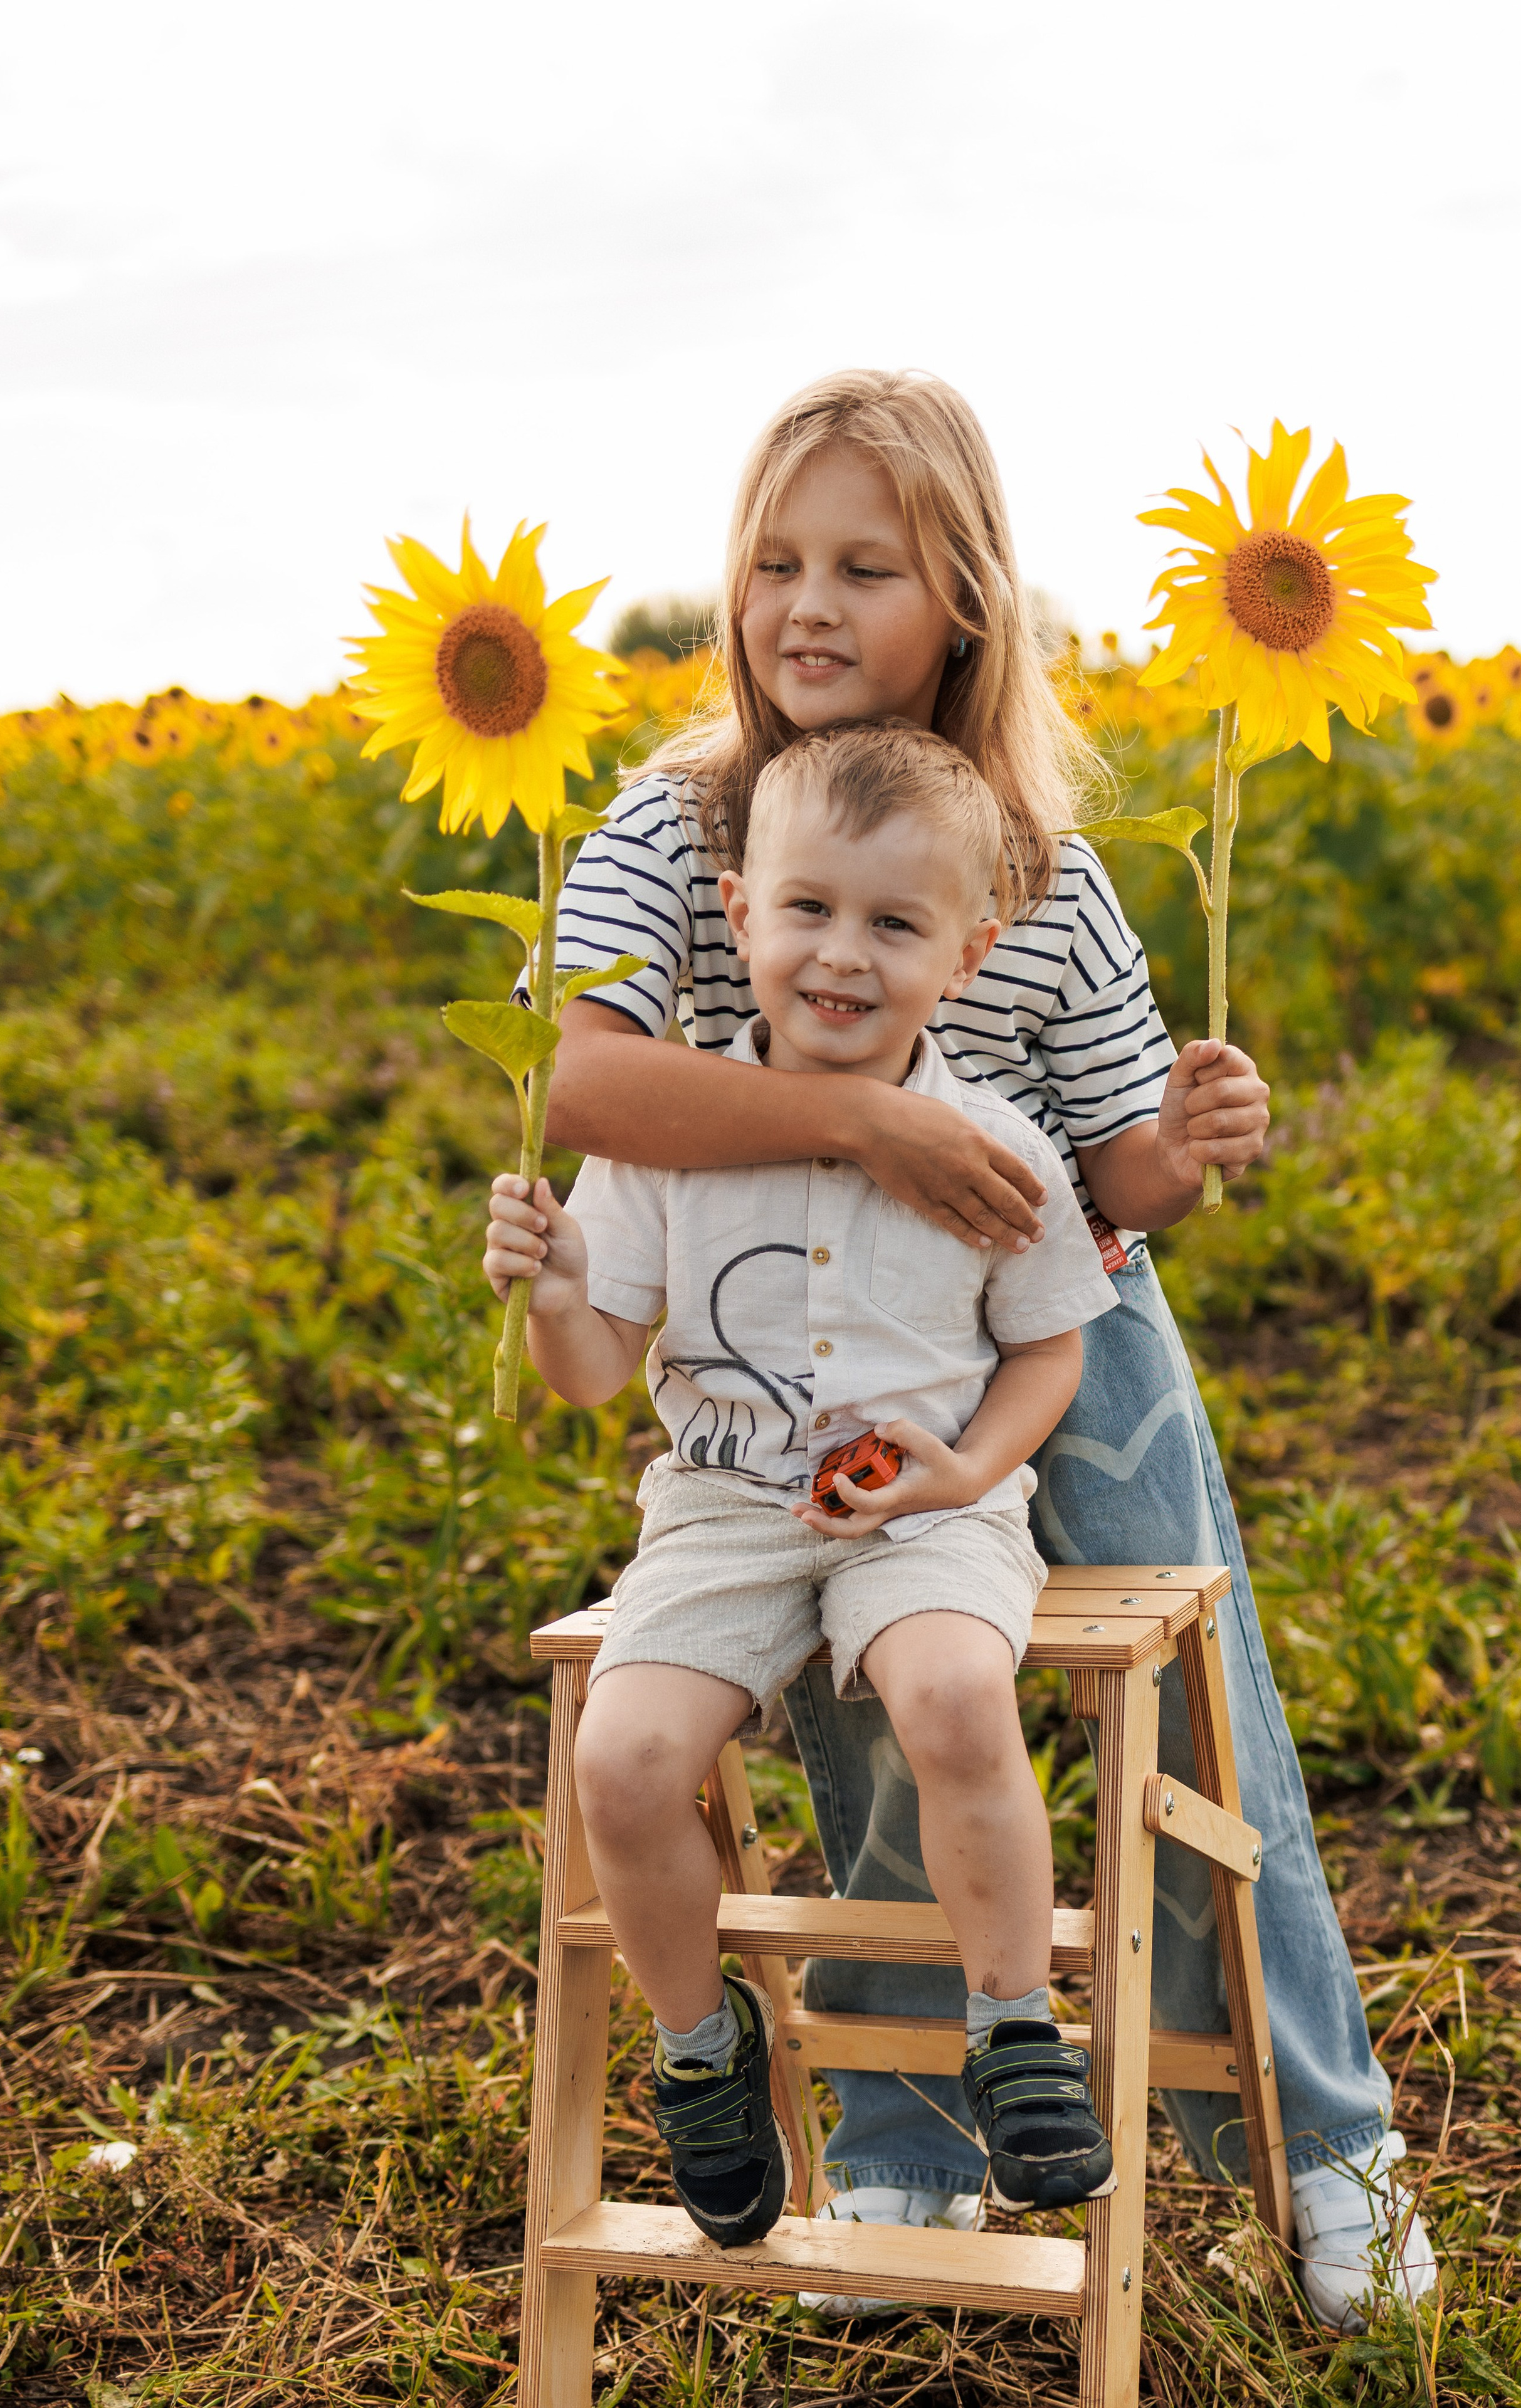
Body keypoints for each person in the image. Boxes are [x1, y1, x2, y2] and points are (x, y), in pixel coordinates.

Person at [527, 369, 1434, 2330]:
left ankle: (1329, 2135)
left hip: (1061, 1342)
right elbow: (595, 1087)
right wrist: (871, 1122)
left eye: (867, 563)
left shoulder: (1043, 862)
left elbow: (1113, 1176)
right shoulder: (678, 825)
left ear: (968, 601)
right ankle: (916, 2147)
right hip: (796, 1371)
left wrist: (1191, 1150)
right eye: (775, 558)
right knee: (874, 1739)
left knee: (1208, 1746)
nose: (806, 603)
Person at [486, 720, 1124, 2246]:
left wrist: (968, 1466)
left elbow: (1048, 1350)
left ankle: (1013, 2026)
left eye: (893, 924)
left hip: (928, 1500)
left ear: (964, 954)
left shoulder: (993, 1143)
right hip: (720, 1508)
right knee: (624, 1765)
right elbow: (590, 1374)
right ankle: (704, 2053)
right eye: (808, 910)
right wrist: (556, 1288)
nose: (841, 956)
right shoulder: (663, 1144)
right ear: (737, 909)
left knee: (957, 1701)